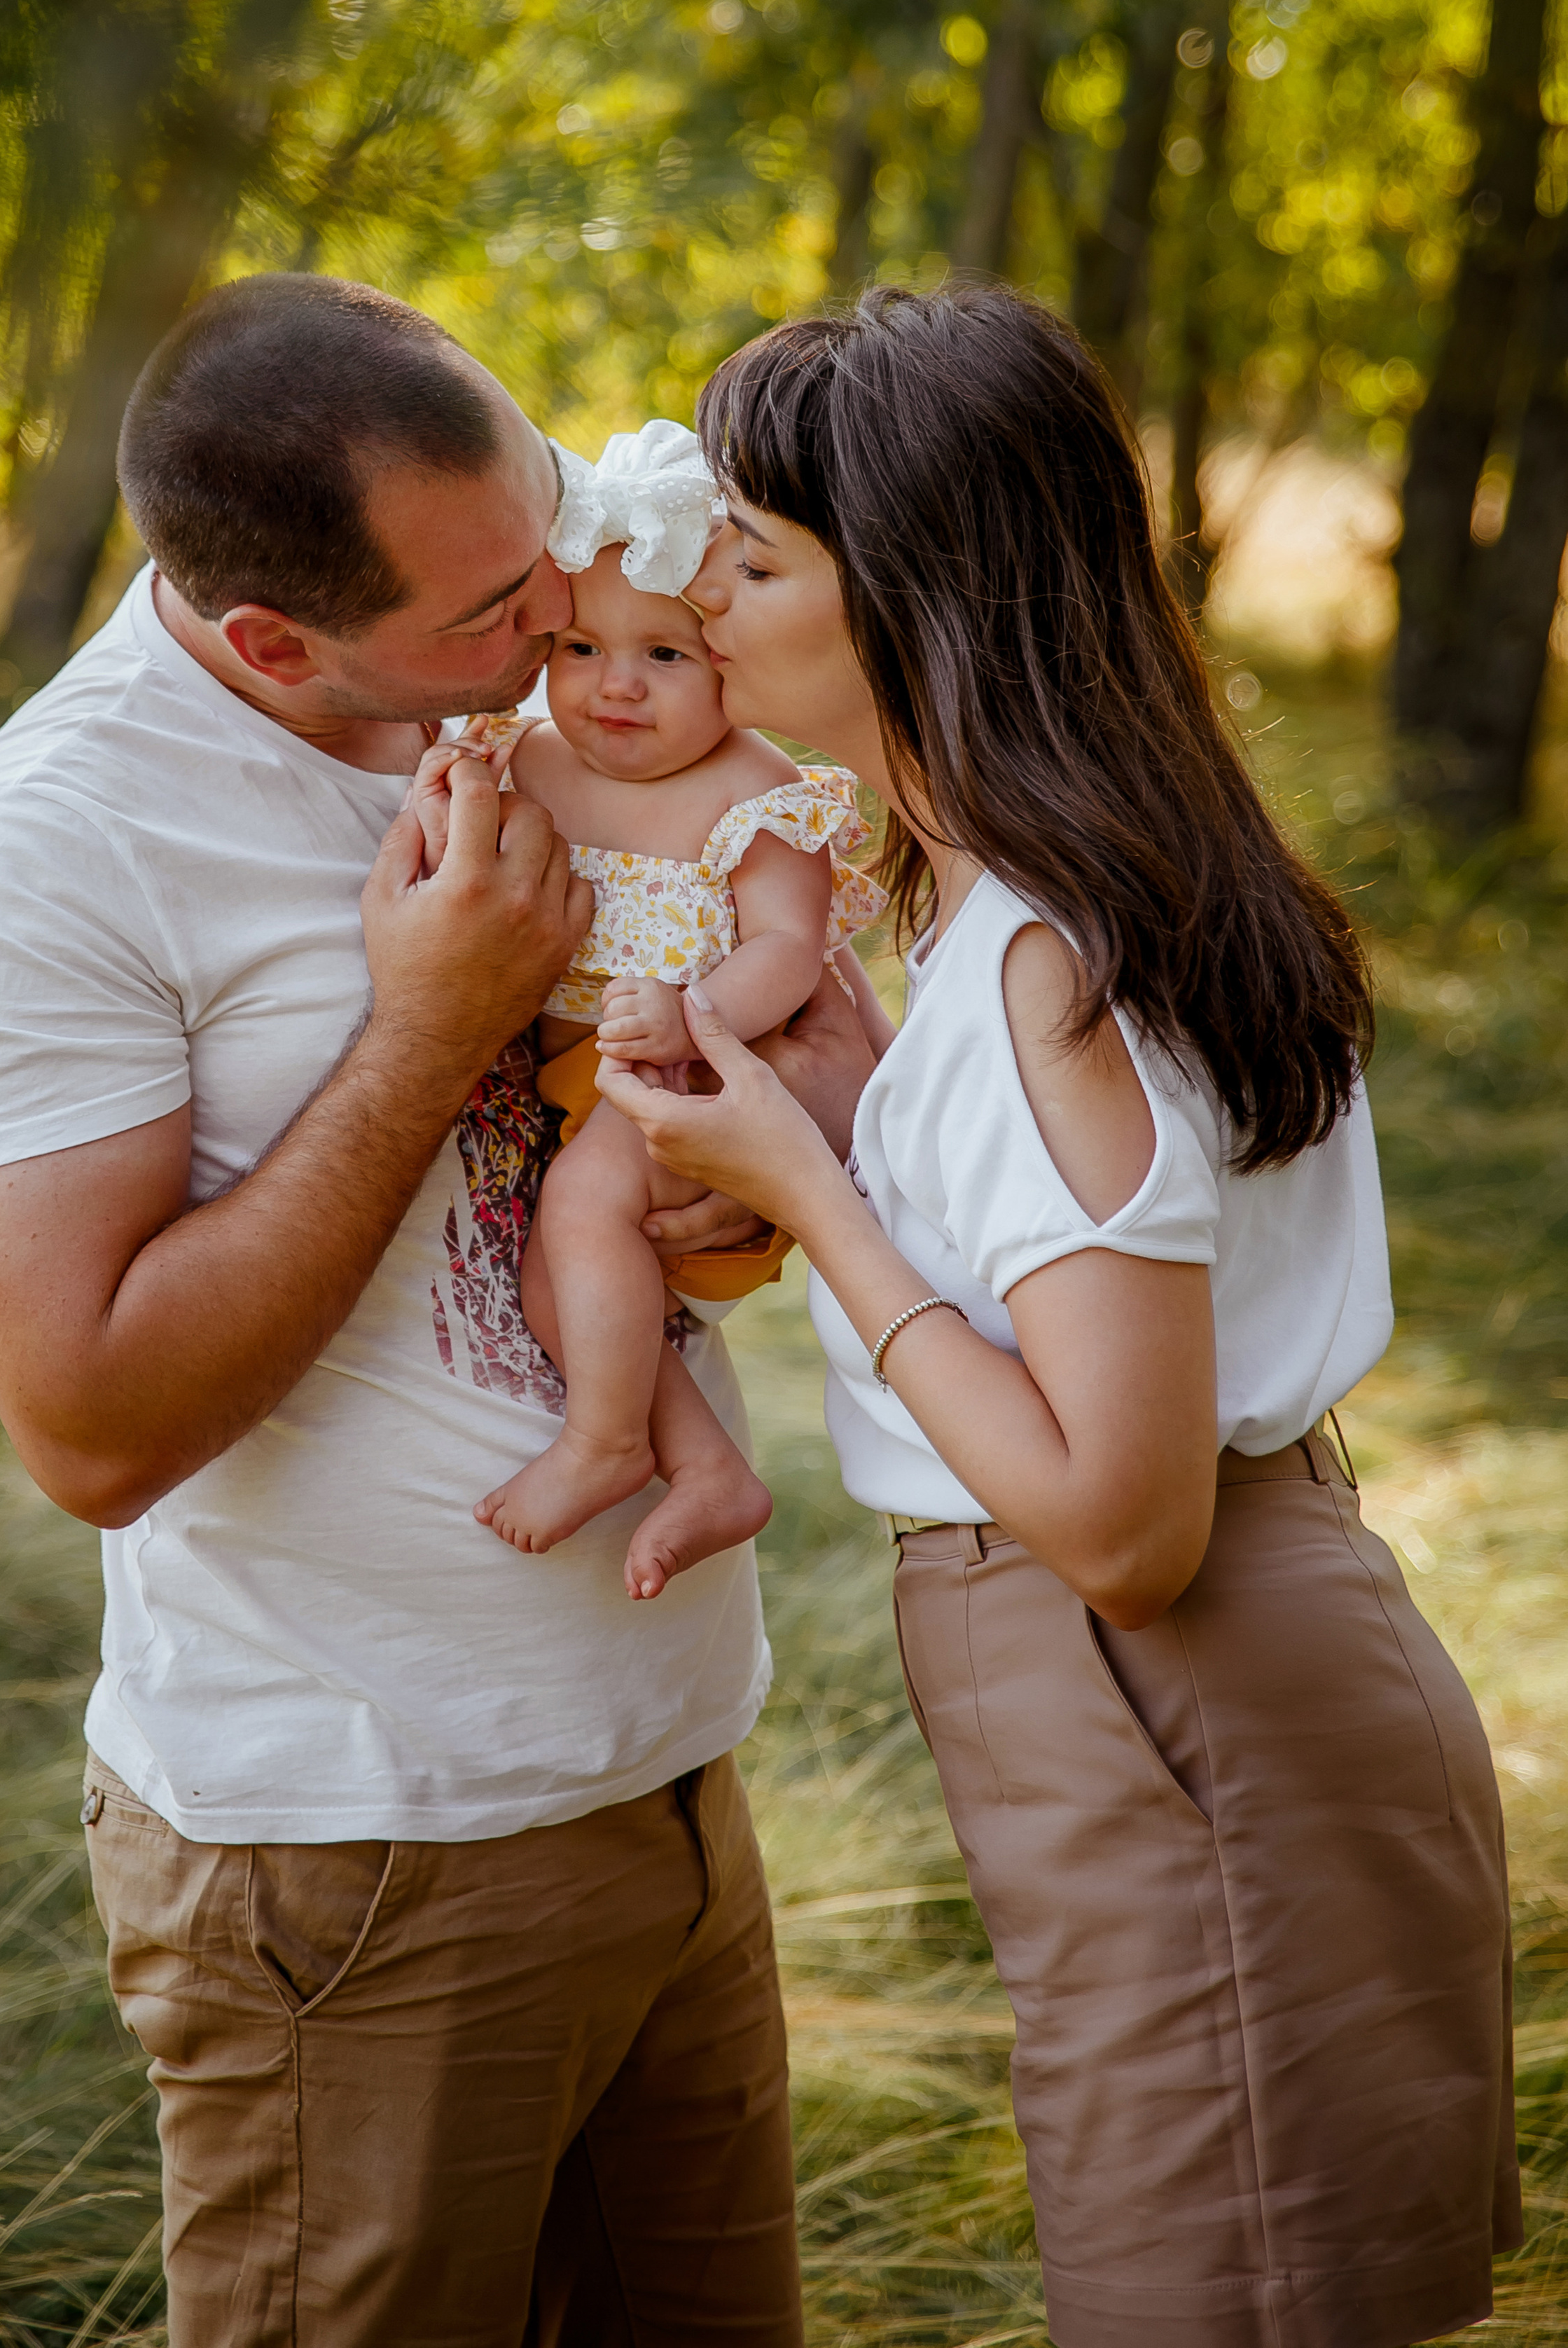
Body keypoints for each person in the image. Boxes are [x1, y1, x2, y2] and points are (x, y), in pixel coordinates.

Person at [0, 273, 867, 2347]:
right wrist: (428, 1032)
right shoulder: (51, 857)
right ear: (271, 645)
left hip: (670, 1769)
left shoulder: (538, 644)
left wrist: (775, 1151)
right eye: (499, 609)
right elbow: (92, 1428)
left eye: (553, 525)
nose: (570, 615)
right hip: (364, 1855)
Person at [597, 282, 1520, 2348]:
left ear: (913, 598)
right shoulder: (1054, 896)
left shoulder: (1041, 957)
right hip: (1203, 1693)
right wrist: (864, 1123)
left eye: (753, 558)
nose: (699, 595)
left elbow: (1122, 1524)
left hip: (1166, 1687)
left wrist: (810, 1194)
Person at [407, 422, 884, 1599]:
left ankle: (605, 1443)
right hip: (582, 1083)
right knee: (552, 1277)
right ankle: (703, 1465)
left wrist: (693, 1015)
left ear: (725, 657)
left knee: (582, 1210)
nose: (616, 685)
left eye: (664, 654)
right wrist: (445, 805)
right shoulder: (527, 759)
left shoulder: (758, 796)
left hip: (691, 1078)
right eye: (581, 647)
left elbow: (791, 949)